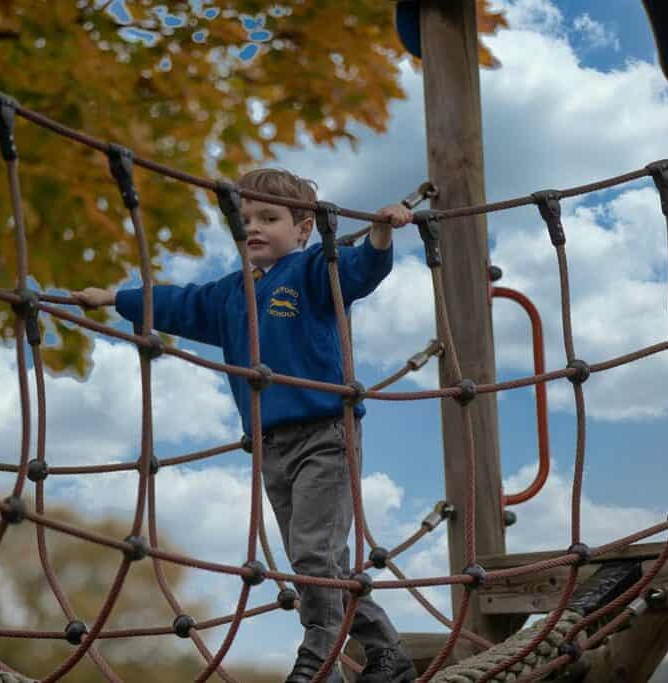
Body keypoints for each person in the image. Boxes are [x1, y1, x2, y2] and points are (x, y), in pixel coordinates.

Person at [74, 169, 416, 683]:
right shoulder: (230, 294)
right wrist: (113, 298)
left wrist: (382, 234)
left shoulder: (311, 272)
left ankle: (318, 658)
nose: (254, 227)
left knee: (312, 555)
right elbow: (177, 303)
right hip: (270, 447)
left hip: (326, 434)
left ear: (303, 229)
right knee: (316, 565)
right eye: (246, 219)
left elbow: (359, 270)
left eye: (269, 218)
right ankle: (387, 651)